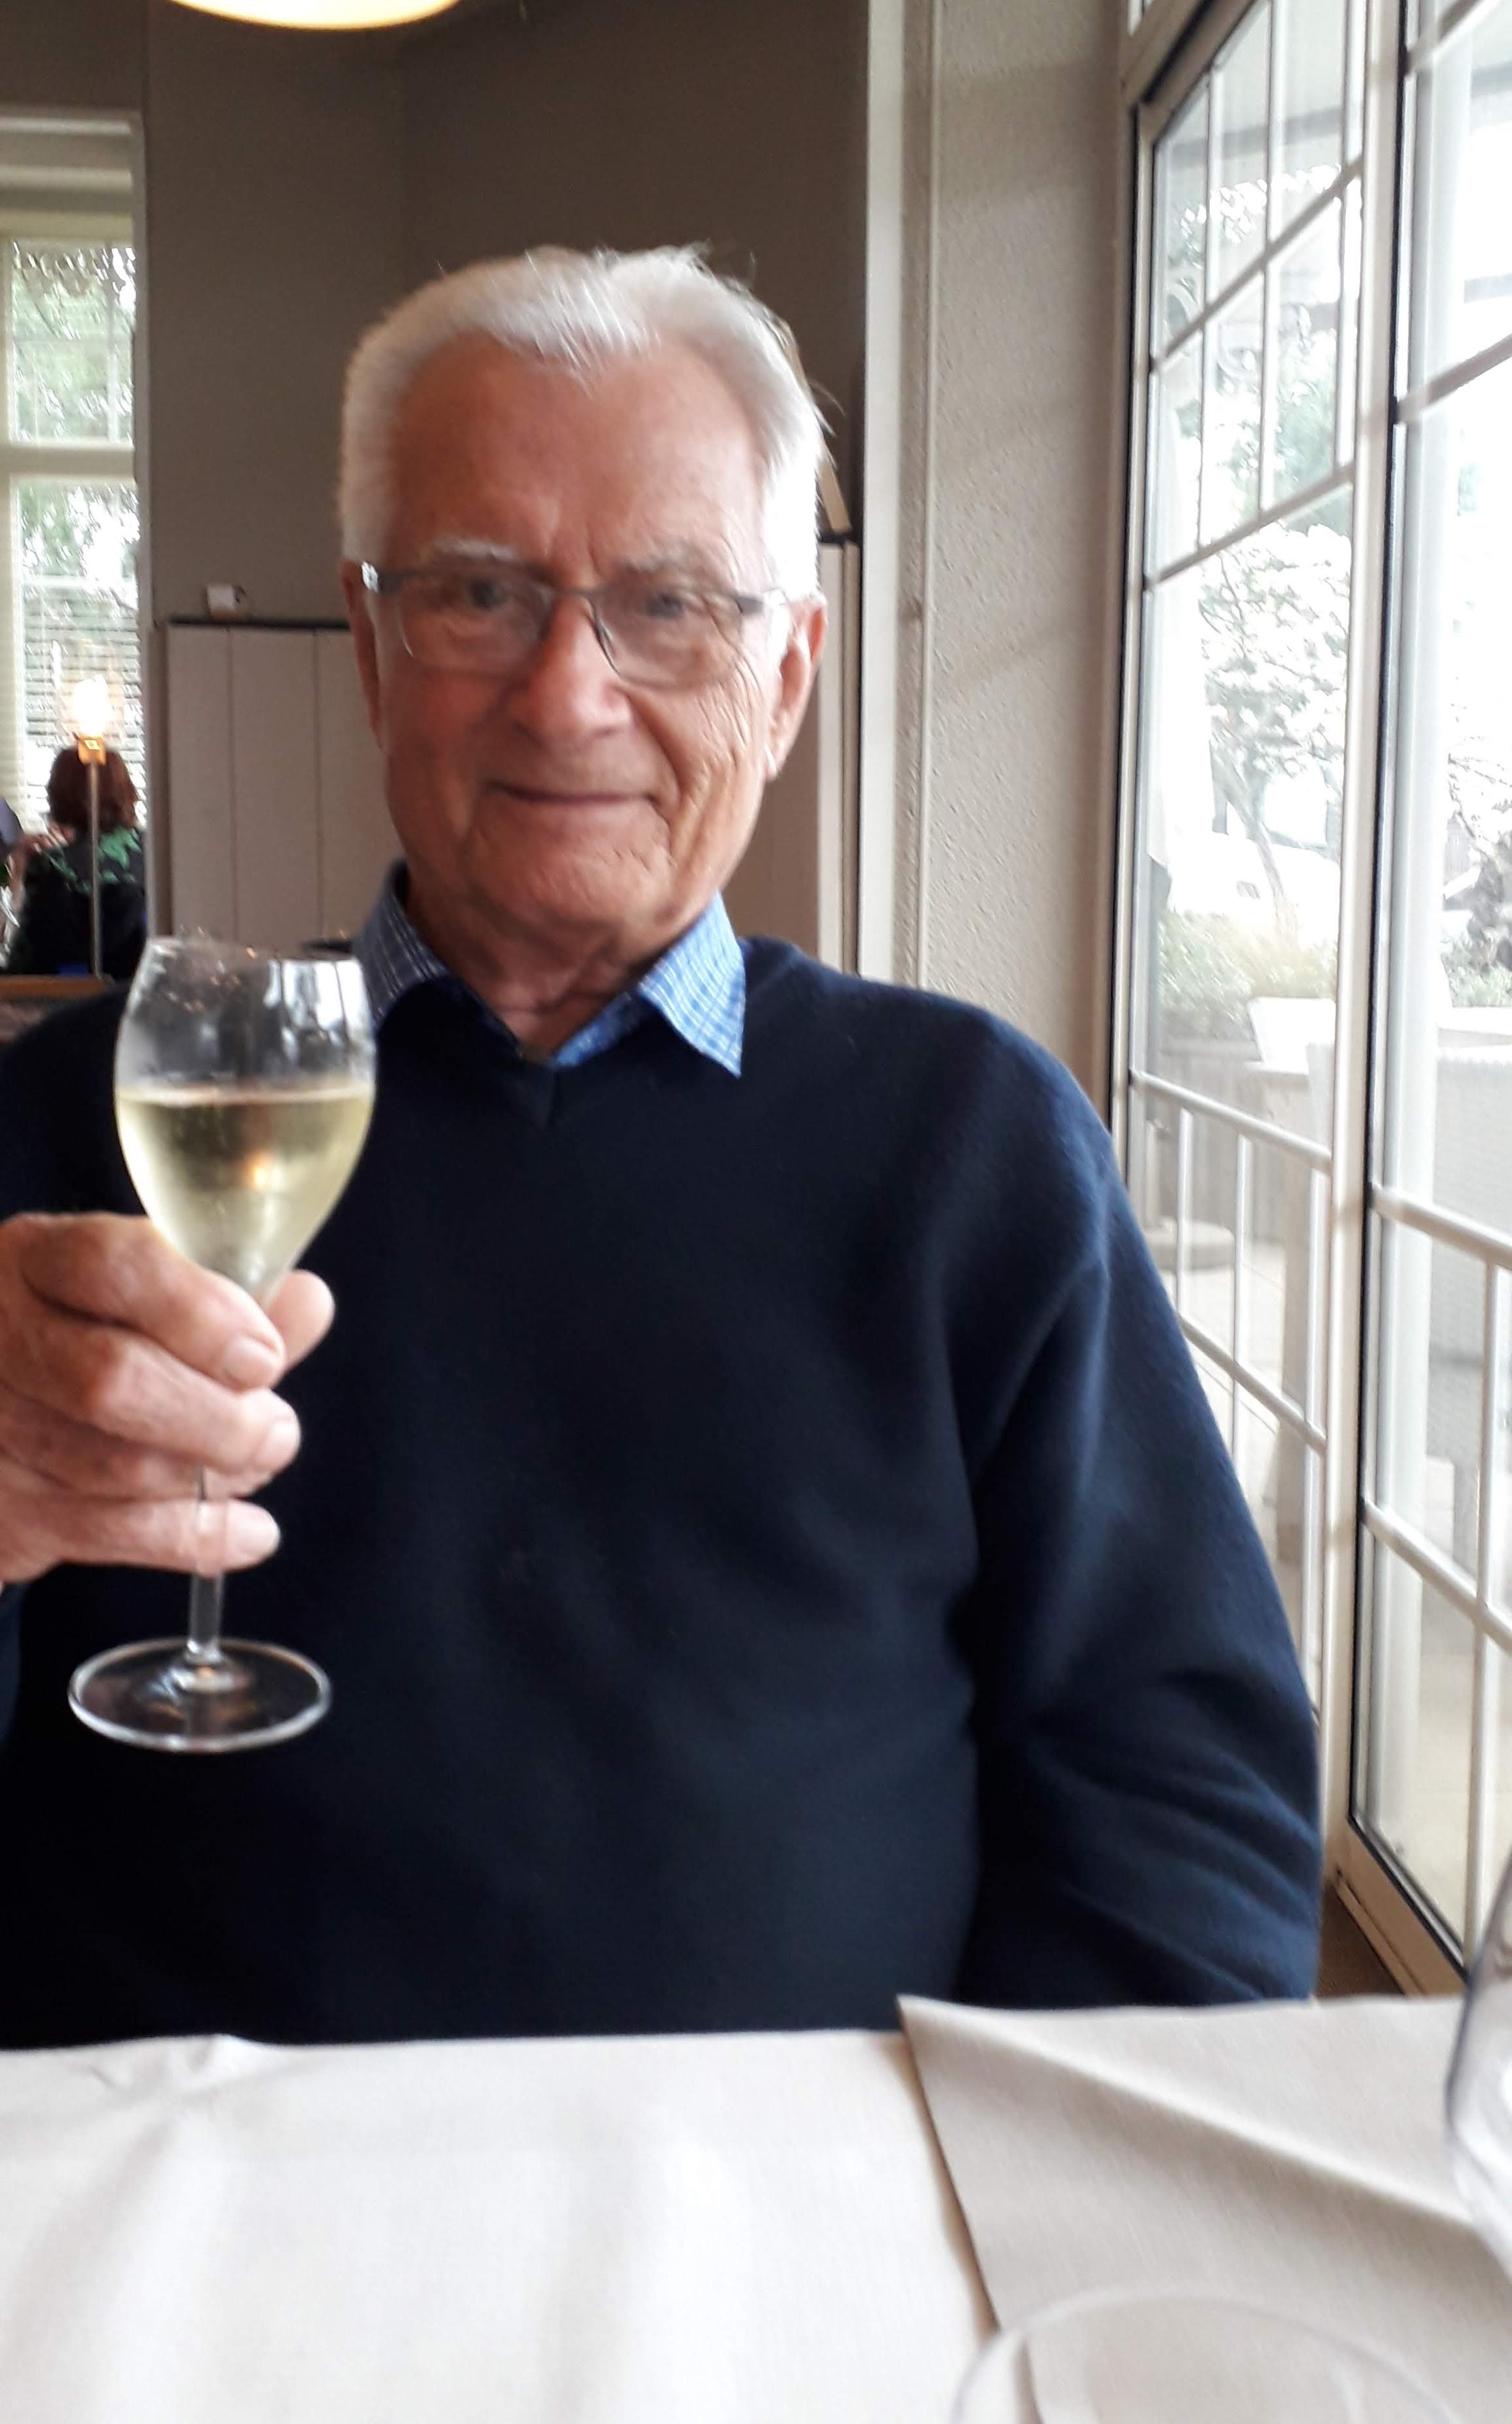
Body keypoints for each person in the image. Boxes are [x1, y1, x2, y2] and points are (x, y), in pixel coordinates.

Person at [0, 249, 1321, 2049]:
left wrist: (1013, 2189)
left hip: (821, 2209)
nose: (567, 694)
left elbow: (1179, 1801)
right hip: (176, 2204)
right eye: (479, 592)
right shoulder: (78, 1118)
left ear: (787, 675)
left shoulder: (974, 1147)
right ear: (372, 649)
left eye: (671, 604)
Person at [4, 746, 146, 981]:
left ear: (58, 797)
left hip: (58, 998)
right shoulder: (155, 852)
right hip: (134, 994)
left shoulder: (52, 867)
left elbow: (21, 968)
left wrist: (18, 874)